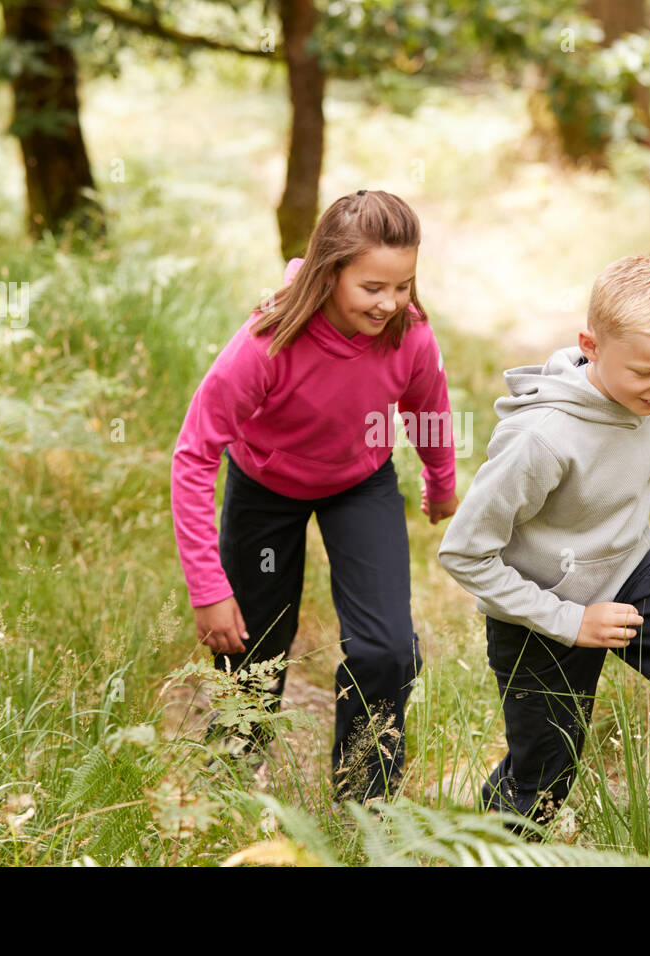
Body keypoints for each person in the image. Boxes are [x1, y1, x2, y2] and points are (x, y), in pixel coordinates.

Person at [437, 254, 650, 863]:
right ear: (590, 346)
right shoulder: (540, 438)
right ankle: (487, 849)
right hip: (538, 610)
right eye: (647, 371)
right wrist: (573, 622)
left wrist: (612, 577)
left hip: (631, 574)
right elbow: (465, 554)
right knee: (543, 780)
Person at [170, 189, 460, 803]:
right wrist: (208, 588)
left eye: (402, 285)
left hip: (359, 483)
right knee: (252, 650)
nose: (390, 303)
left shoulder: (409, 335)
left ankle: (365, 802)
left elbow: (427, 407)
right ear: (330, 273)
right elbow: (194, 455)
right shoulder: (265, 344)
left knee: (387, 650)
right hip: (265, 489)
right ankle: (228, 793)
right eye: (372, 287)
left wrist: (441, 484)